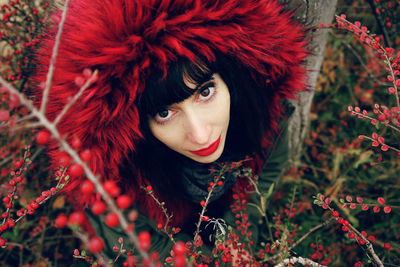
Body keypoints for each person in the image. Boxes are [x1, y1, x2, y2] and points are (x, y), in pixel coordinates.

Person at [34, 0, 308, 264]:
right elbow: (142, 249)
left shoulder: (263, 120)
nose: (201, 136)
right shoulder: (119, 176)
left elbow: (257, 191)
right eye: (164, 113)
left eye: (205, 92)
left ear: (232, 78)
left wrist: (237, 241)